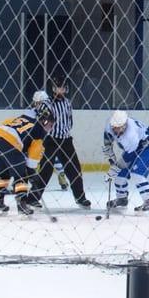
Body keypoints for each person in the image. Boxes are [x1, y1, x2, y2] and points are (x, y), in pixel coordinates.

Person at [28, 74, 91, 209]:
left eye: (62, 88)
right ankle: (32, 199)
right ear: (53, 89)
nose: (60, 91)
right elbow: (42, 120)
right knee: (46, 170)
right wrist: (45, 118)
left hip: (66, 140)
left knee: (74, 169)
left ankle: (80, 198)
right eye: (57, 88)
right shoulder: (46, 103)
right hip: (51, 140)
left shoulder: (68, 103)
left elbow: (69, 121)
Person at [0, 102, 54, 215]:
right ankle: (22, 206)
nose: (50, 128)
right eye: (50, 125)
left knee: (3, 174)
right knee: (22, 175)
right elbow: (34, 154)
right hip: (9, 143)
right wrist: (31, 171)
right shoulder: (39, 130)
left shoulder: (23, 118)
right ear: (45, 120)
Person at [103, 110, 149, 212]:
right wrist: (112, 162)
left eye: (118, 127)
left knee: (137, 174)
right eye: (114, 127)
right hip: (135, 147)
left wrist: (113, 170)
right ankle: (122, 199)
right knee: (119, 175)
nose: (115, 129)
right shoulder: (109, 127)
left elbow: (126, 159)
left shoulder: (130, 135)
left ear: (125, 125)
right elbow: (107, 146)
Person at [29, 91, 69, 191]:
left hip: (46, 138)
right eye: (37, 103)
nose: (38, 105)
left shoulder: (50, 111)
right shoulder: (34, 112)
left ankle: (61, 175)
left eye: (39, 103)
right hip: (37, 138)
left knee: (51, 156)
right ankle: (32, 177)